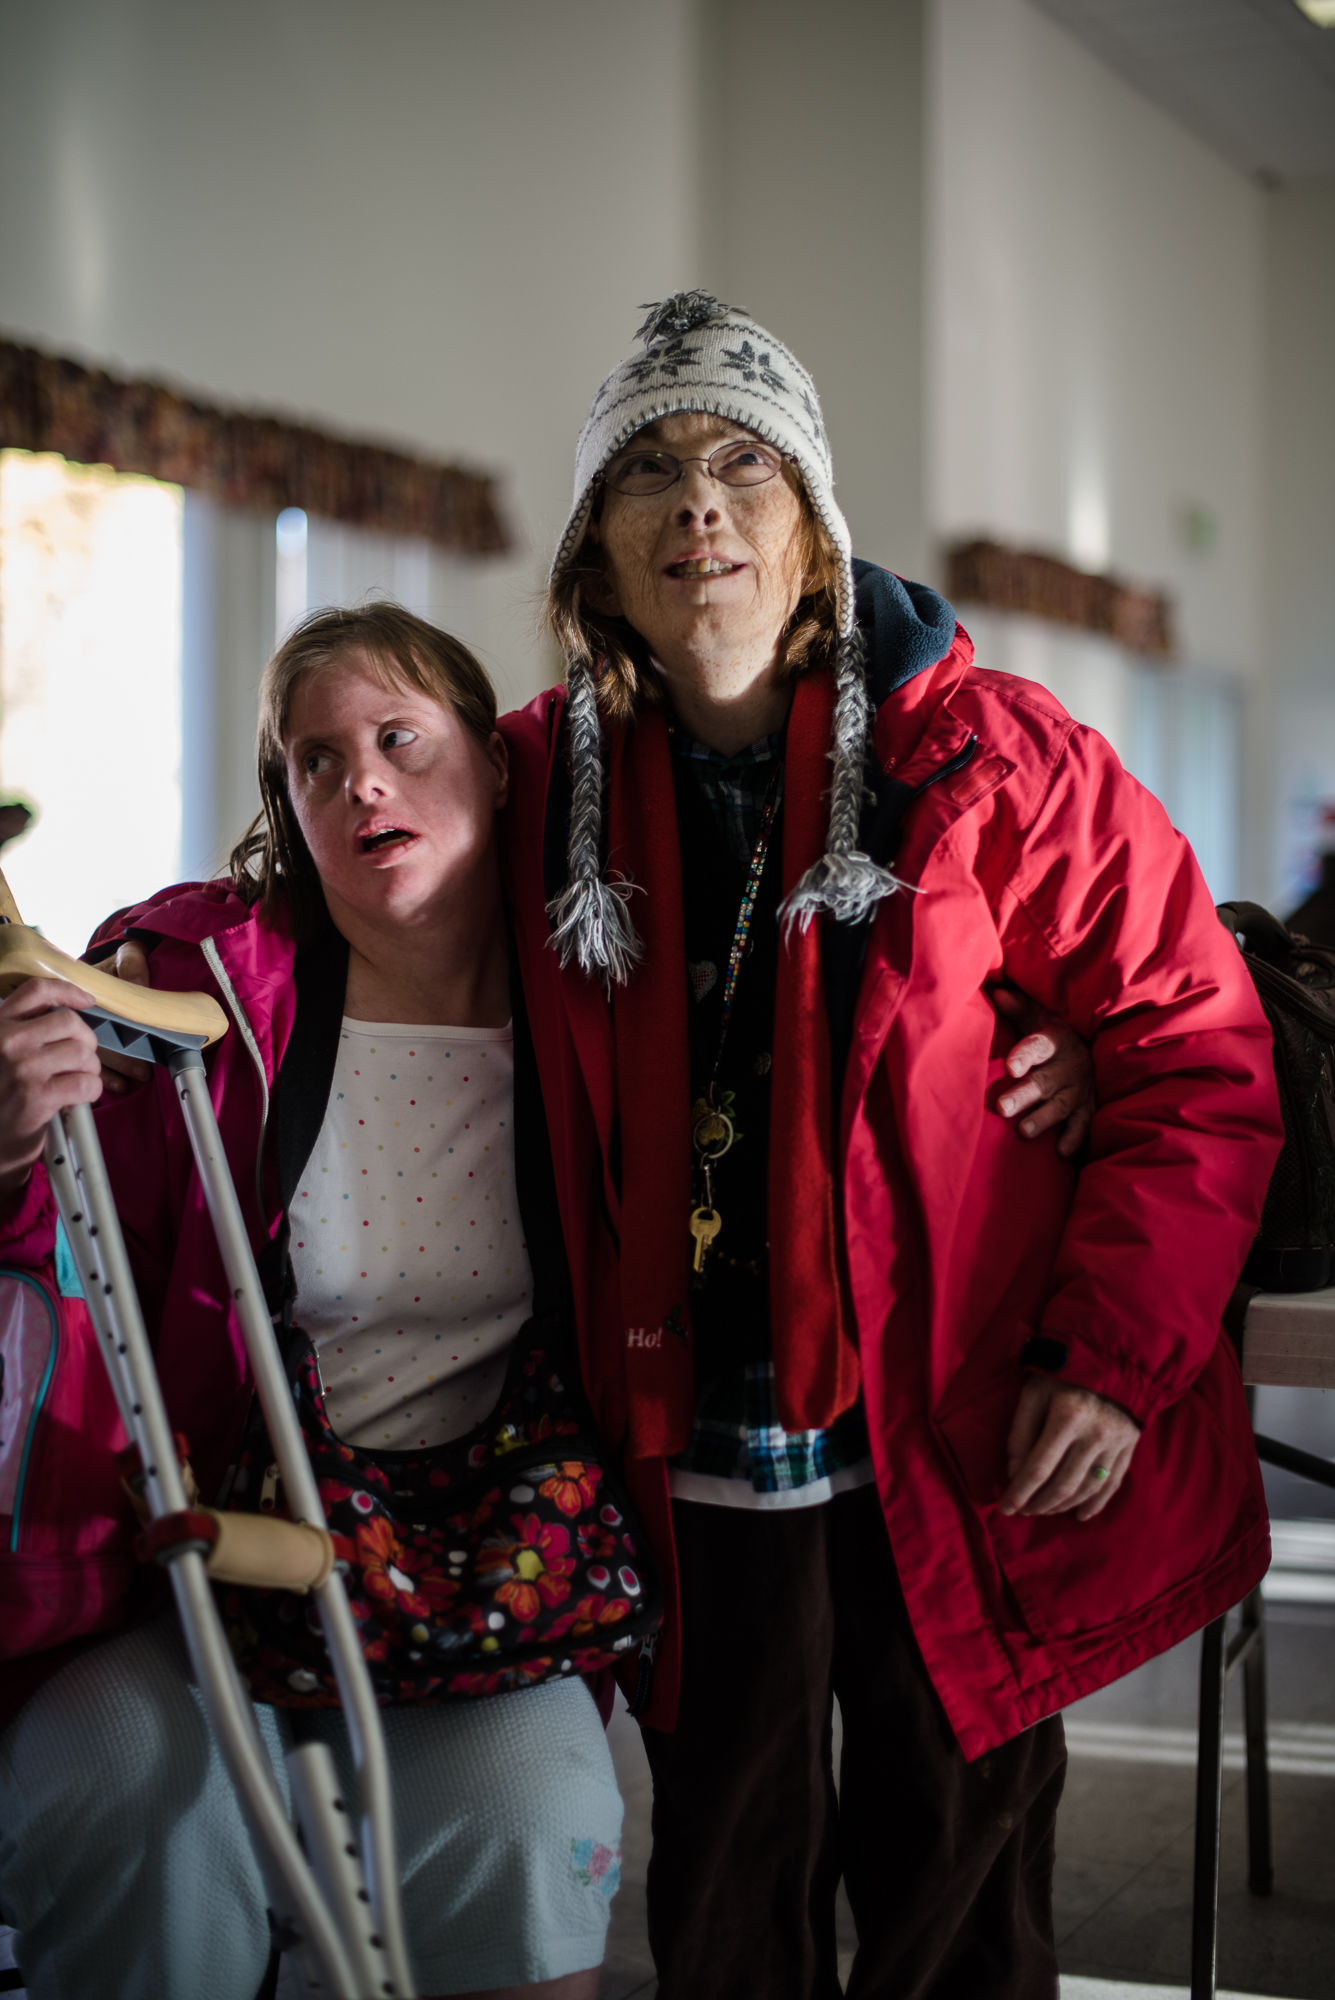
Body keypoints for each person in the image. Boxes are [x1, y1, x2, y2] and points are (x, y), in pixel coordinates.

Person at [498, 293, 1285, 1999]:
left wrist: (1110, 1362)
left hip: (961, 1418)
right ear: (594, 560)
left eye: (743, 466)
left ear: (815, 532)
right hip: (696, 1443)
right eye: (646, 474)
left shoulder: (997, 764)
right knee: (724, 1875)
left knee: (959, 1881)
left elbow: (1198, 1055)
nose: (699, 504)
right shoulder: (522, 786)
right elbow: (318, 900)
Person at [0, 606, 623, 2000]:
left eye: (399, 740)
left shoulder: (600, 998)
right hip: (220, 1556)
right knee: (115, 1788)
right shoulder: (188, 998)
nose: (363, 784)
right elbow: (64, 1250)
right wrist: (6, 1147)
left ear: (495, 760)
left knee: (531, 1828)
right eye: (316, 763)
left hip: (483, 1558)